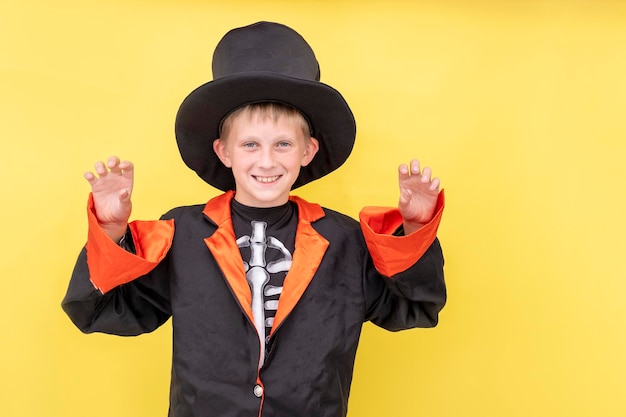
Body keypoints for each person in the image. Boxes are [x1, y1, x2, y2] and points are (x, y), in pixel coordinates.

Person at [62, 21, 446, 417]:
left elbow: (413, 308)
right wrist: (110, 231)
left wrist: (415, 230)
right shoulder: (183, 234)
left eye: (283, 144)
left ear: (308, 151)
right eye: (250, 144)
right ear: (224, 152)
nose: (267, 161)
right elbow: (102, 311)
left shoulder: (345, 240)